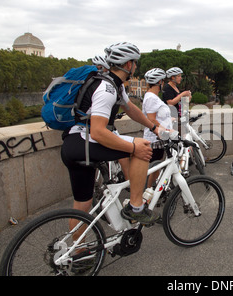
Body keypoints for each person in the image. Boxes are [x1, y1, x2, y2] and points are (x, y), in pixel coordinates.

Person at [61, 42, 161, 225]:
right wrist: (133, 147)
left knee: (82, 205)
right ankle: (136, 207)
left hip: (73, 143)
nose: (136, 66)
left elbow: (130, 109)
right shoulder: (107, 89)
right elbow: (98, 132)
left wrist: (154, 128)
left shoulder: (114, 84)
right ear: (128, 65)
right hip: (85, 142)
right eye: (135, 63)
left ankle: (75, 251)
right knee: (143, 148)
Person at [142, 68, 173, 187]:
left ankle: (152, 191)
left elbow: (157, 117)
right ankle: (149, 193)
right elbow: (151, 120)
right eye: (163, 81)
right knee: (154, 168)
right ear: (160, 82)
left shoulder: (152, 96)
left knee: (157, 167)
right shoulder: (151, 97)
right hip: (155, 138)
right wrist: (167, 130)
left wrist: (169, 120)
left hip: (159, 137)